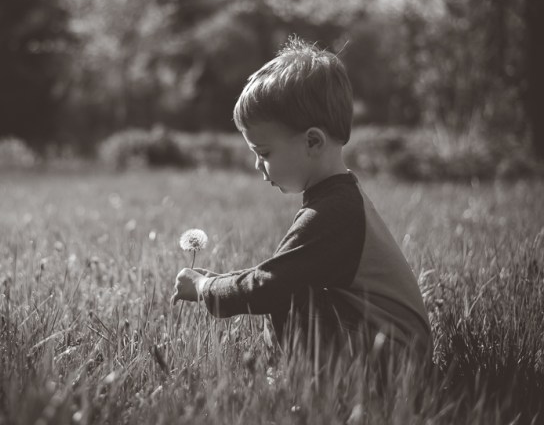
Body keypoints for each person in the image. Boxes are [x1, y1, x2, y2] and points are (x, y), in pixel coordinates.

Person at [171, 37, 432, 361]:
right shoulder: (340, 198)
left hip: (393, 357)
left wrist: (204, 288)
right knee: (290, 289)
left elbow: (269, 286)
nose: (257, 165)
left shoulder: (333, 212)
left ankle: (292, 379)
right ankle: (288, 376)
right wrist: (222, 282)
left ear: (312, 142)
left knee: (288, 297)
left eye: (264, 153)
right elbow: (276, 277)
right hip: (389, 345)